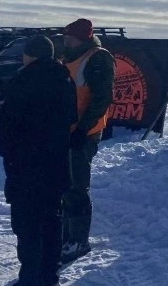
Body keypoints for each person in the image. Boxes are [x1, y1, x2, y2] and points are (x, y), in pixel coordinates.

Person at [0, 36, 77, 285]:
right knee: (52, 220)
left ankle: (29, 278)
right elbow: (71, 117)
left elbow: (9, 126)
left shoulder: (22, 80)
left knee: (27, 224)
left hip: (25, 167)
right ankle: (49, 275)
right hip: (56, 163)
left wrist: (6, 149)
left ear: (31, 55)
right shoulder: (65, 78)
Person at [59, 19, 115, 264]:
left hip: (84, 132)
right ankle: (66, 234)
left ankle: (78, 241)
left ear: (80, 38)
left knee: (76, 185)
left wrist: (83, 129)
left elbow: (102, 98)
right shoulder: (69, 57)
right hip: (66, 131)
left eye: (68, 36)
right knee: (64, 184)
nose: (64, 39)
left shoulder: (97, 58)